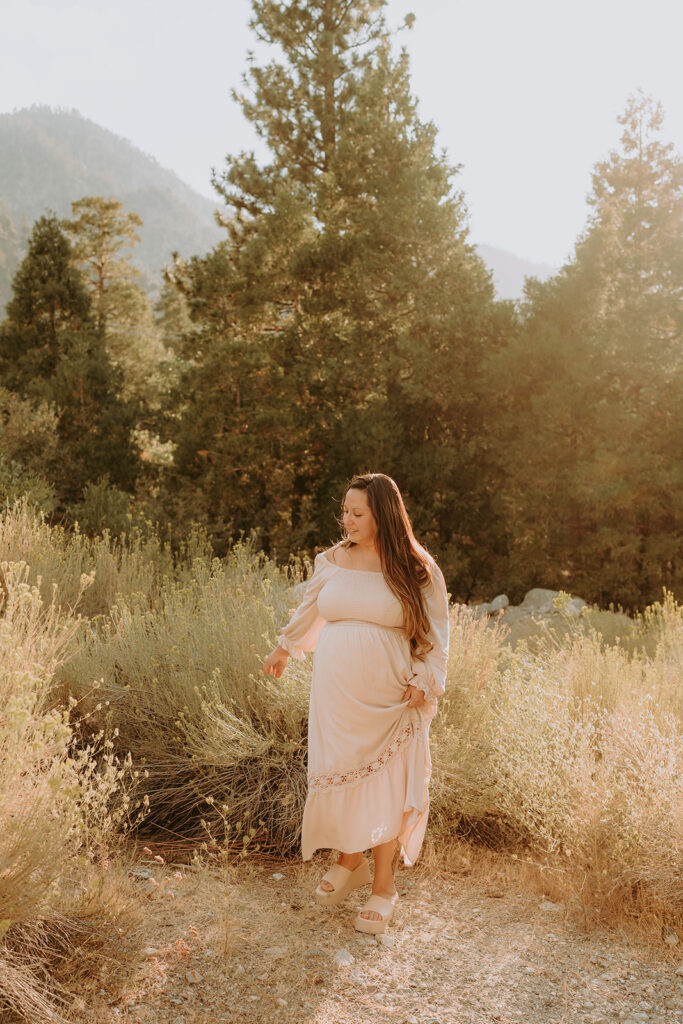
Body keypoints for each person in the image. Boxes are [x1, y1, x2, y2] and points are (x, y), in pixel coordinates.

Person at [262, 472, 449, 934]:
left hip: (388, 691)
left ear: (383, 514)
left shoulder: (416, 566)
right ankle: (351, 862)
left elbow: (436, 633)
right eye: (344, 511)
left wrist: (425, 679)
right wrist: (284, 648)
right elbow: (310, 610)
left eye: (357, 513)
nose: (346, 520)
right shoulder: (330, 561)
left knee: (383, 781)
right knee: (342, 773)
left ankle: (383, 885)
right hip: (336, 693)